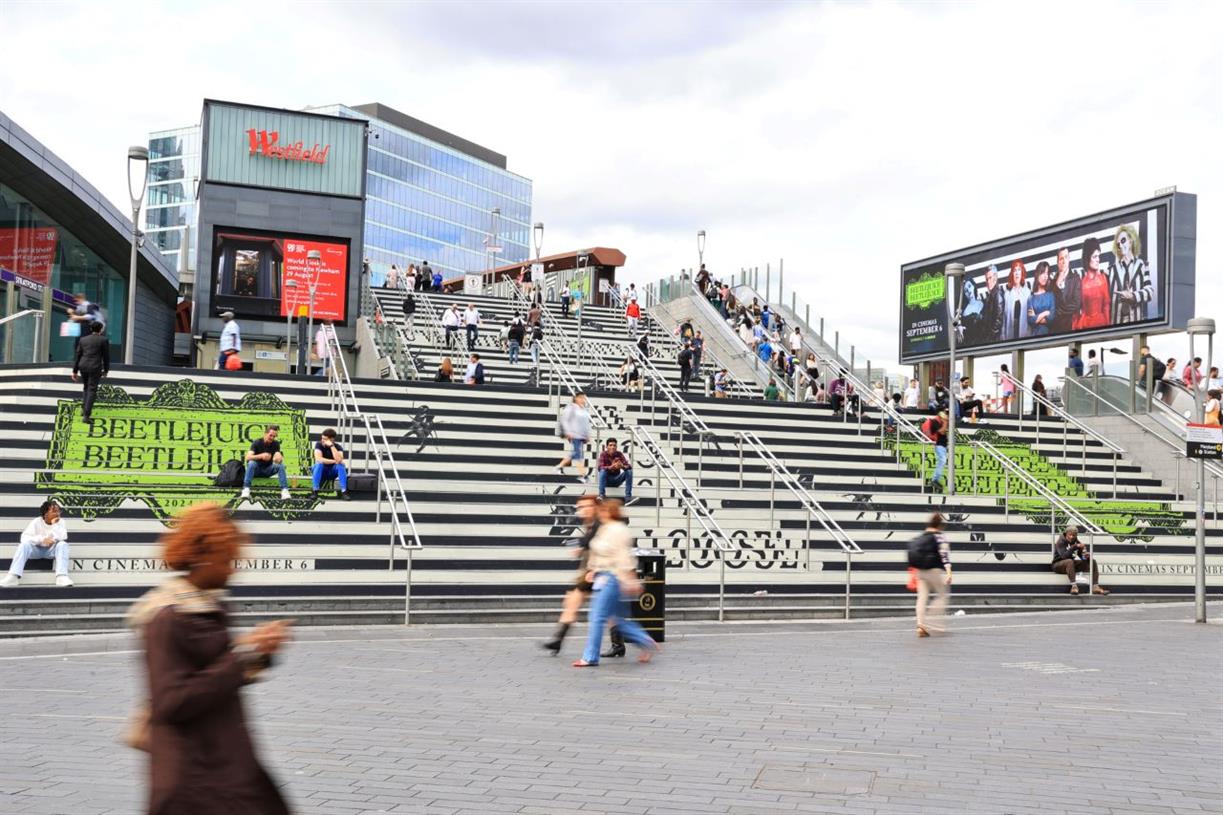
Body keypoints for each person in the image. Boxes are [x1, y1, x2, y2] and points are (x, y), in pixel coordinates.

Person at [127, 502, 292, 815]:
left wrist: (259, 652)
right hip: (191, 776)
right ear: (201, 555)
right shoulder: (166, 617)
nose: (233, 568)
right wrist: (243, 655)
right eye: (227, 559)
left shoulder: (210, 605)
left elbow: (217, 668)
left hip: (225, 761)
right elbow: (170, 701)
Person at [573, 500, 660, 667]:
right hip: (604, 576)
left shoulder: (619, 530)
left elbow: (623, 557)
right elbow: (599, 553)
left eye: (603, 511)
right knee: (617, 619)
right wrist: (593, 569)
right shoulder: (603, 529)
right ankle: (645, 641)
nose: (601, 513)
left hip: (613, 578)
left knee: (597, 616)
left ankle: (590, 657)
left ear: (610, 512)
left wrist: (629, 579)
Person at [542, 494, 602, 655]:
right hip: (588, 572)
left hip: (600, 571)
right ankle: (557, 640)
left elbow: (599, 545)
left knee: (609, 614)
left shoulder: (601, 525)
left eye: (585, 506)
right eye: (579, 508)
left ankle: (637, 642)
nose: (581, 510)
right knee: (572, 603)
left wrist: (582, 548)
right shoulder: (590, 525)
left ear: (595, 507)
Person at [1, 500, 72, 588]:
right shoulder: (36, 521)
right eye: (54, 511)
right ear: (45, 513)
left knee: (63, 544)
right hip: (36, 550)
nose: (57, 513)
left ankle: (61, 576)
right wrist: (41, 540)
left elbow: (63, 537)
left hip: (51, 551)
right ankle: (13, 576)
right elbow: (24, 538)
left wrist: (54, 524)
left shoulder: (61, 522)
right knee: (24, 545)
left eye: (58, 511)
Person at [908, 512, 951, 637]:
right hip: (934, 570)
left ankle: (920, 624)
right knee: (942, 595)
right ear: (940, 525)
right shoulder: (939, 537)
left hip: (920, 571)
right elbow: (944, 556)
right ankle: (934, 624)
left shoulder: (921, 537)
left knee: (922, 597)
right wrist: (949, 573)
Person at [1110, 224, 1152, 324]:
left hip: (1135, 321)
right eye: (1118, 244)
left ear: (1131, 240)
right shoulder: (1112, 269)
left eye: (1123, 240)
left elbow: (1149, 291)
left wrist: (1133, 296)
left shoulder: (1142, 265)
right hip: (1116, 323)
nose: (1120, 245)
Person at [1052, 525, 1109, 596]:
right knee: (1069, 561)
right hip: (1058, 565)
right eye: (1070, 535)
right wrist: (1075, 547)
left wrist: (1086, 556)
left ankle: (1095, 587)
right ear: (1066, 533)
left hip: (1070, 566)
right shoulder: (1060, 542)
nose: (1072, 537)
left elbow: (1081, 556)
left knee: (1092, 561)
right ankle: (1074, 586)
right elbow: (1064, 556)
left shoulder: (1075, 541)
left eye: (1074, 535)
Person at [72, 320, 110, 423]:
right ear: (101, 330)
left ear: (90, 329)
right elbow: (106, 357)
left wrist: (75, 371)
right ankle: (86, 416)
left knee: (86, 387)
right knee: (92, 389)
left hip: (83, 366)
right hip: (95, 367)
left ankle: (84, 409)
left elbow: (78, 355)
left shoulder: (83, 340)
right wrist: (106, 370)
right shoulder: (103, 340)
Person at [240, 425, 291, 501]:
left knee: (281, 466)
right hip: (256, 471)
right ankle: (246, 488)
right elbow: (248, 457)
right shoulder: (257, 442)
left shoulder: (276, 444)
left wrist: (278, 457)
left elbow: (278, 456)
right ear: (265, 433)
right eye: (270, 435)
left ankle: (284, 490)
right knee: (251, 463)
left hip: (268, 470)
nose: (272, 438)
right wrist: (261, 456)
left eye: (274, 436)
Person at [1075, 237, 1111, 330]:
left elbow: (1106, 306)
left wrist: (1108, 328)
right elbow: (1078, 310)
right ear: (1087, 258)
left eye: (1098, 256)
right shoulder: (1081, 283)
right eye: (1094, 256)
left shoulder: (1103, 278)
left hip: (1102, 324)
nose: (1098, 260)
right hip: (1085, 326)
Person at [555, 393, 591, 482]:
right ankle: (583, 475)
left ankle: (559, 467)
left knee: (575, 453)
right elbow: (565, 420)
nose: (583, 399)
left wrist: (587, 435)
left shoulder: (584, 410)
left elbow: (586, 423)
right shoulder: (571, 407)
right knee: (578, 454)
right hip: (574, 434)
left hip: (581, 435)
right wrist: (568, 432)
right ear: (576, 398)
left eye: (584, 398)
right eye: (581, 397)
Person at [311, 428, 350, 500]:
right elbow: (319, 459)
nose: (322, 440)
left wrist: (332, 446)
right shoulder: (319, 444)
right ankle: (315, 491)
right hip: (321, 470)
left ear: (332, 440)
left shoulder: (338, 447)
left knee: (341, 466)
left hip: (332, 471)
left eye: (325, 439)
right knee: (319, 464)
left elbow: (339, 460)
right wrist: (335, 461)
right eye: (322, 438)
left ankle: (344, 492)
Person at [597, 439, 637, 504]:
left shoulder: (619, 454)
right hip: (607, 481)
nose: (612, 447)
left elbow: (629, 466)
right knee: (603, 471)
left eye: (614, 445)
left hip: (617, 480)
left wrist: (622, 466)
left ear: (616, 447)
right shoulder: (603, 454)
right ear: (607, 447)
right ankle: (602, 495)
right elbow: (600, 467)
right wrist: (611, 467)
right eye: (610, 445)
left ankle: (628, 497)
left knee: (629, 471)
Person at [1051, 247, 1080, 334]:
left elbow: (1076, 304)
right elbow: (1051, 305)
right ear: (1057, 262)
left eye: (1066, 257)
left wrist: (1059, 311)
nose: (1064, 261)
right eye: (1061, 258)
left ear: (1069, 259)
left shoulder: (1076, 278)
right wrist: (1057, 285)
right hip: (1055, 330)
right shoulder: (1052, 282)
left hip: (1071, 327)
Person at [1002, 260, 1031, 341]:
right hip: (1010, 334)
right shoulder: (1007, 294)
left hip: (1024, 334)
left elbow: (1030, 317)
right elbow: (1004, 319)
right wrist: (1003, 338)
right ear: (1012, 274)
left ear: (1022, 273)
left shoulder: (1027, 292)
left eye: (1019, 270)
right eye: (1015, 270)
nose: (1017, 273)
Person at [1026, 261, 1056, 337]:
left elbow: (1052, 318)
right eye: (1043, 273)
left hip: (1050, 337)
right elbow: (1030, 320)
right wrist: (1045, 313)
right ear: (1037, 274)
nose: (1045, 276)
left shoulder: (1050, 295)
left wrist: (1036, 318)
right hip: (1034, 338)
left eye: (1047, 273)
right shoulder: (1031, 298)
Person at [922, 411, 949, 490]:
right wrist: (945, 422)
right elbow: (942, 432)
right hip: (939, 445)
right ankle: (935, 479)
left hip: (942, 445)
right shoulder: (935, 422)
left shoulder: (939, 422)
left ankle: (935, 479)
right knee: (942, 461)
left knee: (942, 461)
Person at [979, 265, 1006, 344]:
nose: (988, 281)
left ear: (996, 277)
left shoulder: (998, 294)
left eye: (990, 278)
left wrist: (989, 339)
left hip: (995, 340)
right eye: (986, 279)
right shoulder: (991, 295)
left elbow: (998, 321)